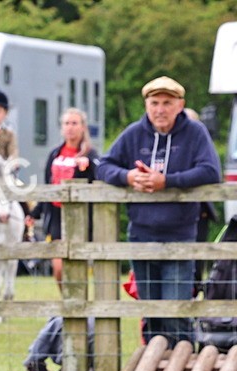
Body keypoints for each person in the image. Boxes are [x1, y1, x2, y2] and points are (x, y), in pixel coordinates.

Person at [95, 76, 222, 346]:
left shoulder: (195, 133)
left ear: (180, 105)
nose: (160, 109)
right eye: (154, 103)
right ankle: (153, 365)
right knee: (150, 311)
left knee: (176, 311)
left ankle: (181, 364)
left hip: (179, 234)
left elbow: (211, 171)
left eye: (167, 103)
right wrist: (128, 176)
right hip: (141, 233)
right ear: (146, 105)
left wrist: (167, 181)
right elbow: (103, 165)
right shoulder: (133, 133)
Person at [34, 108, 100, 292]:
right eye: (66, 123)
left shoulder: (90, 154)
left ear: (83, 127)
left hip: (80, 216)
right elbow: (48, 186)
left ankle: (79, 302)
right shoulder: (55, 154)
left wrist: (87, 167)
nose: (70, 127)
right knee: (58, 268)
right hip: (56, 215)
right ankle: (68, 301)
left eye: (74, 123)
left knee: (78, 265)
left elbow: (101, 174)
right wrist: (36, 212)